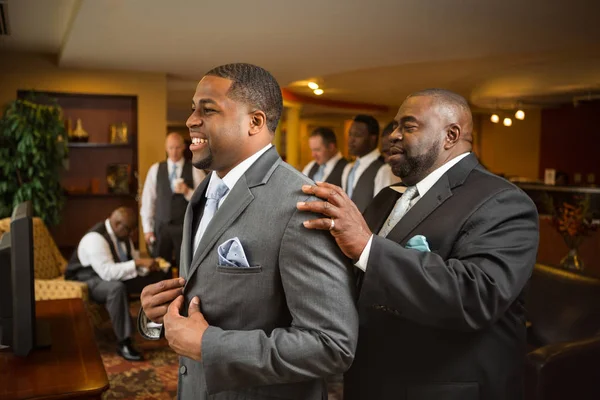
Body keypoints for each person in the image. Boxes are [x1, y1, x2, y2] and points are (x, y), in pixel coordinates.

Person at [298, 89, 539, 400]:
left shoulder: (502, 201)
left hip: (440, 387)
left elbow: (477, 296)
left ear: (450, 135)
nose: (392, 136)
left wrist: (366, 246)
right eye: (395, 126)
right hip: (371, 379)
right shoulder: (388, 197)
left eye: (408, 127)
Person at [138, 63, 358, 399]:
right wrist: (157, 314)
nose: (191, 120)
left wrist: (210, 345)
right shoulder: (201, 194)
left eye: (207, 109)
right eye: (192, 108)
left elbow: (332, 345)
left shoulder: (301, 203)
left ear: (254, 122)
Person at [65, 207, 167, 361]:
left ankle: (155, 326)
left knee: (158, 278)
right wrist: (138, 262)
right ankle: (124, 342)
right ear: (118, 225)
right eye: (130, 230)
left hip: (108, 274)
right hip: (86, 278)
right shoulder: (95, 238)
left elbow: (129, 262)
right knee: (116, 288)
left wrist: (147, 268)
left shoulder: (123, 235)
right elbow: (108, 273)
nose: (131, 234)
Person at [140, 132, 206, 268]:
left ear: (183, 147)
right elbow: (148, 201)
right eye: (171, 148)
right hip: (161, 227)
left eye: (177, 148)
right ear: (166, 148)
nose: (174, 152)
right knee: (160, 267)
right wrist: (147, 229)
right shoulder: (155, 169)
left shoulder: (195, 169)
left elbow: (205, 198)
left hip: (184, 227)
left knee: (185, 266)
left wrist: (187, 191)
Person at [341, 114, 400, 213]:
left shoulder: (383, 168)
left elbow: (383, 210)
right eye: (350, 134)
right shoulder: (348, 168)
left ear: (372, 138)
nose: (351, 140)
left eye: (357, 135)